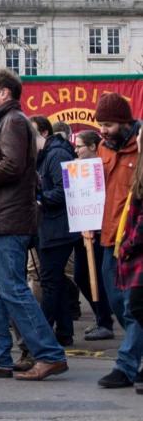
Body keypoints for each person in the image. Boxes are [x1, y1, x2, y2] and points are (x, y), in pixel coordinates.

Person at [0, 68, 67, 380]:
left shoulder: (15, 121)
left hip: (9, 218)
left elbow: (12, 166)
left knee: (12, 289)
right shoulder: (2, 123)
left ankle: (49, 354)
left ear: (5, 93)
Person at [92, 93, 143, 390]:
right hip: (108, 237)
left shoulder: (139, 151)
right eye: (101, 124)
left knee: (132, 305)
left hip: (134, 239)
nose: (103, 129)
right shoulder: (102, 149)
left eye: (108, 124)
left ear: (125, 123)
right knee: (115, 300)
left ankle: (125, 365)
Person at [31, 115, 78, 346]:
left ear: (44, 133)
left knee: (49, 282)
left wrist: (39, 200)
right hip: (49, 226)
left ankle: (44, 334)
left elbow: (64, 190)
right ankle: (64, 333)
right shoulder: (44, 156)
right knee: (54, 281)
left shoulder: (56, 154)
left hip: (57, 227)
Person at [72, 130, 115, 341]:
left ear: (91, 147)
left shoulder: (102, 167)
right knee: (81, 276)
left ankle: (105, 320)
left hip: (99, 230)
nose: (76, 150)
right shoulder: (76, 167)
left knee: (99, 276)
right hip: (83, 228)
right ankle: (101, 316)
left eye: (79, 145)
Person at [112, 124, 143, 394]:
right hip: (120, 240)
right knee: (129, 304)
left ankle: (128, 364)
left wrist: (132, 242)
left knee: (136, 304)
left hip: (134, 246)